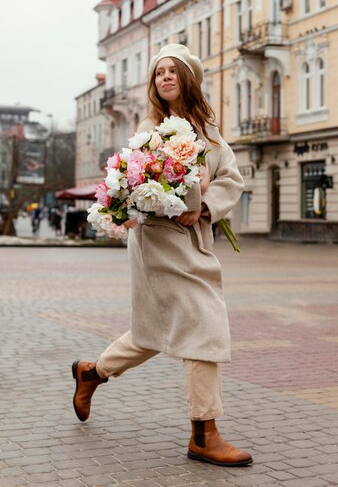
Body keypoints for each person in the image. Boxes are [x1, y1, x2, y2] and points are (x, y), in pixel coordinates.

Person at [72, 44, 252, 467]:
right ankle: (204, 434)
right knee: (204, 324)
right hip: (158, 242)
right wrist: (193, 191)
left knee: (153, 332)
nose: (165, 77)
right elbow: (138, 189)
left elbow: (232, 176)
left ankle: (91, 372)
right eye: (159, 73)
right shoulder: (151, 128)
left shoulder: (206, 129)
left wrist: (205, 204)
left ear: (189, 78)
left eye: (173, 71)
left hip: (194, 239)